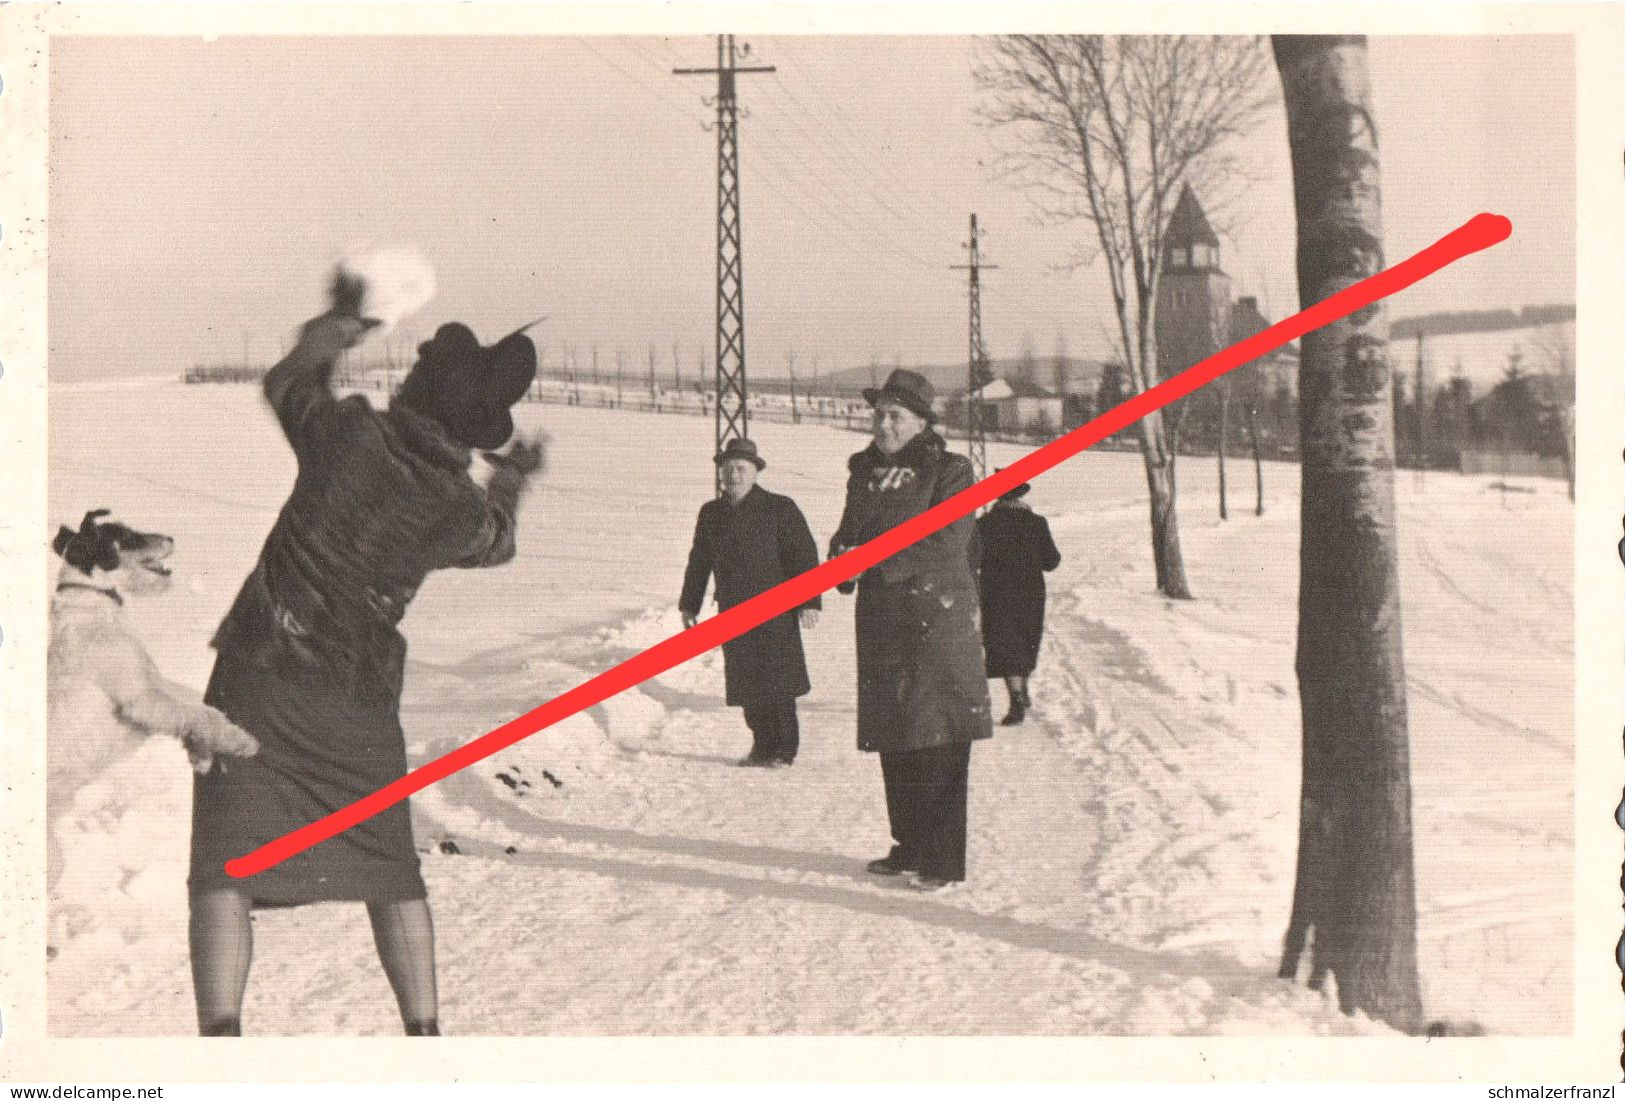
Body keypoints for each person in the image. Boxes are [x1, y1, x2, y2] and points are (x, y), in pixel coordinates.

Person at [187, 281, 544, 1037]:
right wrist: (510, 480)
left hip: (260, 676)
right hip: (354, 700)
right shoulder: (456, 507)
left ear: (416, 391)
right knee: (387, 866)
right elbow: (497, 541)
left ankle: (217, 1044)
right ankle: (424, 1036)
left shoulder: (350, 437)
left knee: (225, 862)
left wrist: (336, 328)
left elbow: (287, 382)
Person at [828, 369, 992, 891]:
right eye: (878, 415)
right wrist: (841, 560)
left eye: (895, 416)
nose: (883, 425)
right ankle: (909, 845)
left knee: (937, 735)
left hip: (936, 622)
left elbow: (946, 539)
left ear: (921, 423)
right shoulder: (864, 473)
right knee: (893, 734)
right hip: (882, 621)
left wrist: (873, 563)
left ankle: (943, 859)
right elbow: (847, 533)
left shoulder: (950, 470)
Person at [679, 438, 821, 767]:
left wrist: (810, 601)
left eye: (742, 469)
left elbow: (803, 556)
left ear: (756, 472)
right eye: (728, 469)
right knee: (747, 682)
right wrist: (690, 603)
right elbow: (699, 560)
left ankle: (784, 751)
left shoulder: (780, 508)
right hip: (733, 609)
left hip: (777, 611)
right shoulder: (711, 513)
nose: (734, 475)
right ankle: (761, 746)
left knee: (778, 682)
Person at [972, 476, 1061, 725]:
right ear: (1020, 495)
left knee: (1004, 644)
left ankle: (1017, 698)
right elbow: (1051, 561)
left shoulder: (984, 524)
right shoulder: (1036, 523)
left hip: (996, 593)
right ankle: (1021, 693)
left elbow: (973, 560)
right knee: (1026, 641)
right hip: (1030, 593)